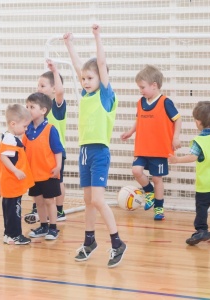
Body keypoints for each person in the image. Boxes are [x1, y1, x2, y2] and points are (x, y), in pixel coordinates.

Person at [63, 24, 126, 268]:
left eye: (91, 78)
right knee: (88, 199)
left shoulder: (105, 95)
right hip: (84, 152)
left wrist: (97, 37)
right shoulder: (86, 94)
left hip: (99, 151)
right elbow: (81, 67)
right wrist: (69, 45)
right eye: (84, 79)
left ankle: (117, 242)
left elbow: (99, 63)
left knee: (98, 200)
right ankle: (89, 241)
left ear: (102, 78)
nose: (86, 81)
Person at [168, 101, 210, 245]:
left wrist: (176, 160)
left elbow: (192, 157)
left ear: (198, 122)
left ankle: (201, 230)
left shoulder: (199, 141)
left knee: (202, 208)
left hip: (206, 184)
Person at [121, 65, 182, 220]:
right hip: (142, 147)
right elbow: (138, 119)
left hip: (159, 149)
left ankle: (159, 209)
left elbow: (178, 119)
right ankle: (149, 191)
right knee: (136, 171)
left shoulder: (165, 102)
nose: (141, 90)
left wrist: (176, 138)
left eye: (142, 87)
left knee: (157, 179)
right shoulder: (140, 102)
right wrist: (130, 132)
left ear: (154, 86)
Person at [24, 59, 67, 224]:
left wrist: (55, 71)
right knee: (38, 181)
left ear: (54, 88)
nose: (38, 89)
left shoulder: (56, 106)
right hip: (39, 154)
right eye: (38, 85)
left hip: (55, 152)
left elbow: (60, 92)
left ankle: (59, 209)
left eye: (43, 86)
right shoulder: (36, 109)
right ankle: (38, 210)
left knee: (57, 181)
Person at [23, 92, 64, 240]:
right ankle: (43, 226)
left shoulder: (50, 129)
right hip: (33, 174)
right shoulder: (26, 130)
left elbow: (58, 150)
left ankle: (53, 228)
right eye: (26, 106)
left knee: (49, 201)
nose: (28, 109)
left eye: (32, 107)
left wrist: (58, 166)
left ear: (43, 110)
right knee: (38, 202)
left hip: (48, 173)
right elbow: (23, 150)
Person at [0, 104, 34, 245]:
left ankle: (8, 234)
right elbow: (3, 157)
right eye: (24, 126)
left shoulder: (9, 137)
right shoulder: (10, 139)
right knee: (14, 210)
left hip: (9, 183)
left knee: (9, 208)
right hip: (11, 182)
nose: (26, 130)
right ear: (13, 124)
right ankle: (15, 235)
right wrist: (16, 170)